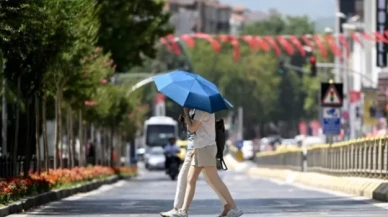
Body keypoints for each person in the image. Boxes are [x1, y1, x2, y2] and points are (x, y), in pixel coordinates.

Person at [172, 108, 242, 217]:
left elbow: (192, 128)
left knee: (214, 179)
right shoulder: (201, 109)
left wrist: (186, 112)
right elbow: (198, 128)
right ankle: (183, 211)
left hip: (206, 148)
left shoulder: (202, 110)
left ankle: (234, 207)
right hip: (200, 148)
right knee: (191, 179)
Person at [160, 110, 228, 217]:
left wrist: (187, 114)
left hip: (197, 149)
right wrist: (186, 119)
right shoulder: (197, 110)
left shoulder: (200, 109)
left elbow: (194, 128)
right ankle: (228, 205)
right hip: (197, 148)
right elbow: (195, 126)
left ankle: (178, 209)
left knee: (185, 178)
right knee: (209, 180)